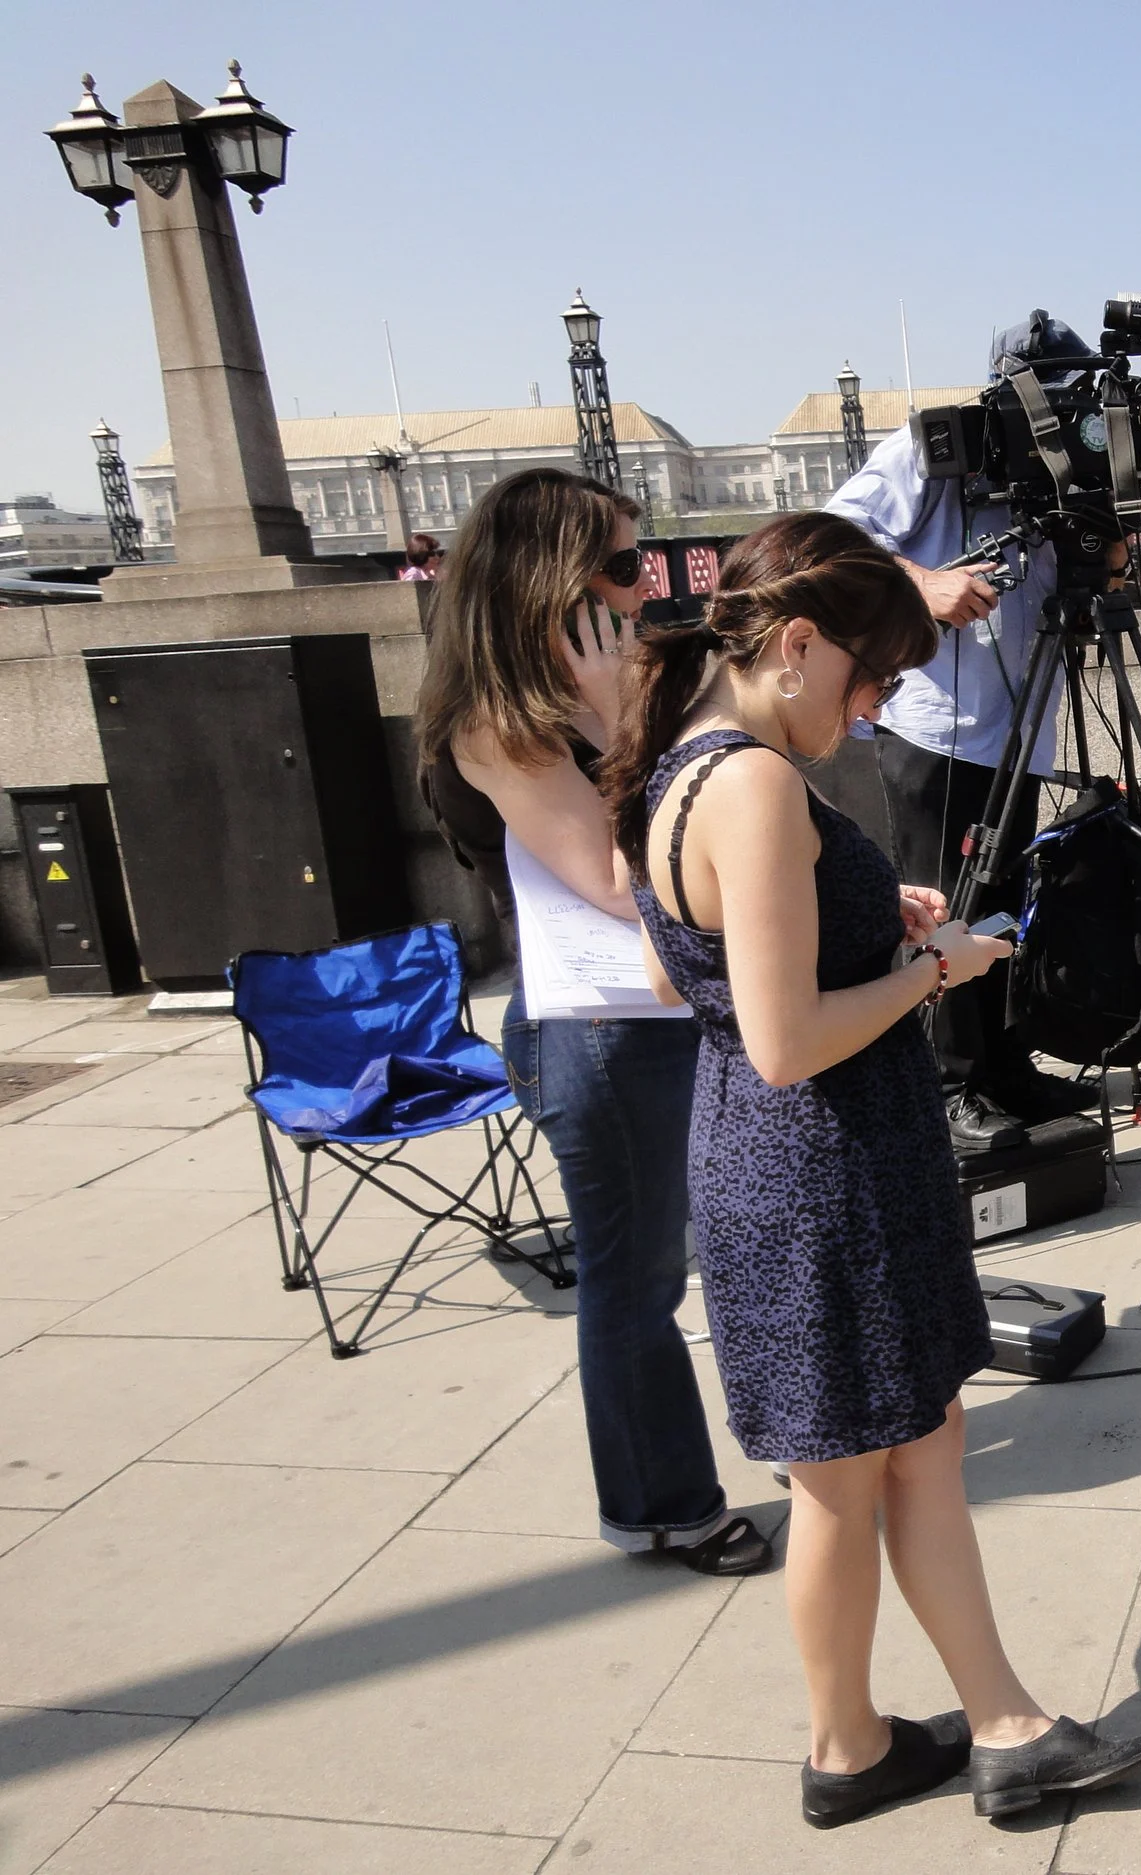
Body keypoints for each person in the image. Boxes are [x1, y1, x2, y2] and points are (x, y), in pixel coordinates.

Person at [601, 510, 1141, 1829]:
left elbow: (680, 973)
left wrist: (866, 918)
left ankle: (961, 1731)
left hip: (781, 1161)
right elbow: (787, 1040)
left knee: (903, 1448)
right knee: (847, 1475)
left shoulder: (678, 760)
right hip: (824, 1170)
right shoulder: (751, 782)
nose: (873, 713)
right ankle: (867, 1745)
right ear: (797, 644)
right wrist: (931, 969)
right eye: (872, 682)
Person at [412, 467, 768, 1577]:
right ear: (547, 577)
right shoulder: (497, 722)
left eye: (640, 561)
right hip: (600, 1029)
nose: (639, 586)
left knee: (703, 1249)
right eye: (619, 565)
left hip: (662, 1002)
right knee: (637, 1279)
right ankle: (663, 1507)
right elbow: (622, 881)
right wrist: (622, 717)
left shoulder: (589, 682)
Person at [826, 312, 1101, 1154]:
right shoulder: (936, 447)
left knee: (1003, 910)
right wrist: (922, 584)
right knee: (947, 909)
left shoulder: (1069, 465)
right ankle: (951, 1084)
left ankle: (1004, 1068)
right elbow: (830, 537)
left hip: (1019, 734)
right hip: (936, 732)